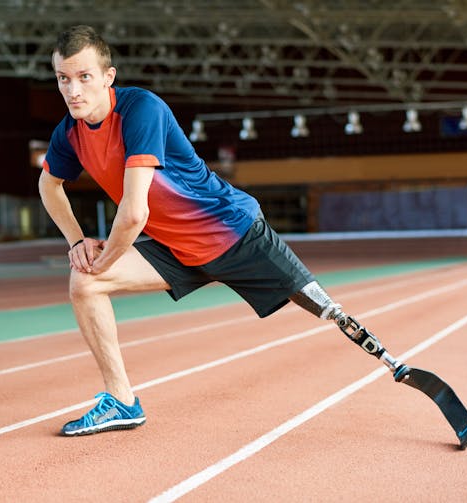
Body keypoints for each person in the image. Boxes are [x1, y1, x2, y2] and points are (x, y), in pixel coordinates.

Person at [39, 25, 391, 436]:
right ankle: (121, 401)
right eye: (64, 78)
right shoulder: (69, 132)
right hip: (177, 249)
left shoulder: (139, 110)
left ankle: (394, 364)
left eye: (84, 77)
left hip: (233, 232)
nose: (73, 90)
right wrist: (78, 242)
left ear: (108, 77)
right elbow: (48, 186)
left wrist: (104, 259)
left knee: (327, 310)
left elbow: (134, 213)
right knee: (84, 284)